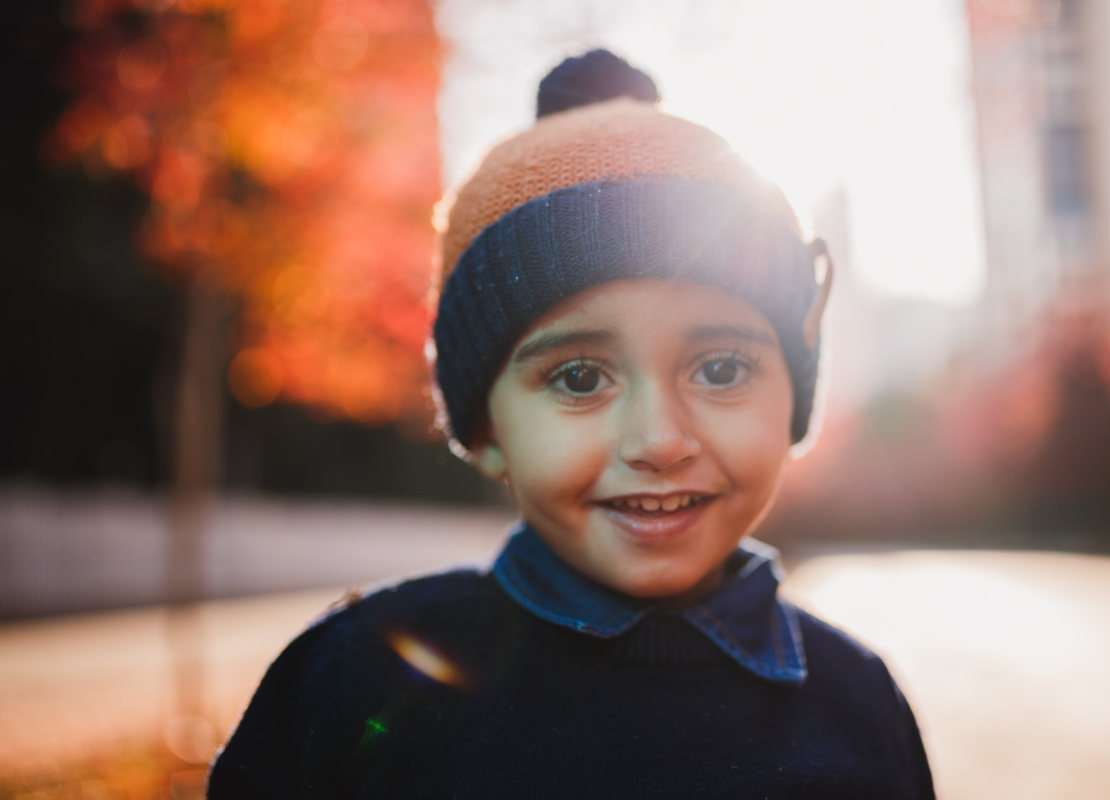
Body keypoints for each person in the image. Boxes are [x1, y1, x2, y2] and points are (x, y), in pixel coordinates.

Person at [208, 49, 935, 799]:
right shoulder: (357, 679)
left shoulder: (860, 703)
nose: (659, 440)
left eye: (721, 369)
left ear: (793, 403)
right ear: (487, 434)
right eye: (580, 378)